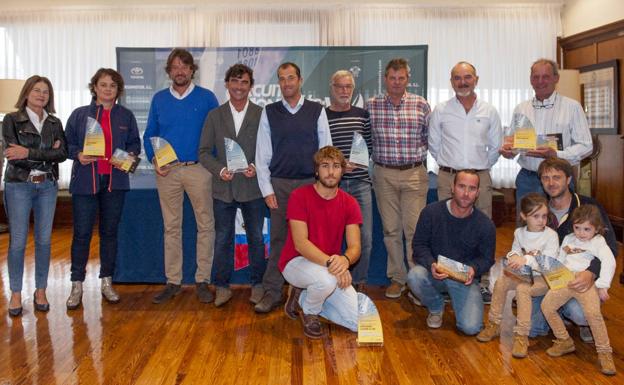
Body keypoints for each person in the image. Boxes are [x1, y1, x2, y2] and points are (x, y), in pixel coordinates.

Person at [254, 62, 331, 313]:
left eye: (291, 78)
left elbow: (325, 152)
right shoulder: (270, 112)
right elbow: (262, 155)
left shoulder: (316, 110)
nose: (286, 83)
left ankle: (305, 294)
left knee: (312, 242)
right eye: (282, 79)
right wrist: (267, 190)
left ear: (300, 80)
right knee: (278, 240)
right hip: (281, 186)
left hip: (311, 186)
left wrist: (323, 185)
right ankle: (273, 292)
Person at [143, 48, 219, 304]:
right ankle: (173, 281)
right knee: (171, 227)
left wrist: (217, 166)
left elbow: (216, 135)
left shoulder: (207, 98)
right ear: (169, 71)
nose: (179, 71)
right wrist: (154, 160)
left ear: (191, 70)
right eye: (175, 66)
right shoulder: (159, 99)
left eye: (184, 66)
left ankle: (203, 280)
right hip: (168, 171)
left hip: (200, 169)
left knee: (205, 225)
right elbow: (149, 134)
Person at [64, 68, 141, 309]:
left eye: (113, 85)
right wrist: (78, 154)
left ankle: (106, 282)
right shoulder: (79, 115)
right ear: (94, 87)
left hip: (115, 185)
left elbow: (135, 145)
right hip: (86, 183)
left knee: (109, 234)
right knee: (82, 235)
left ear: (118, 90)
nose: (108, 89)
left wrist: (130, 155)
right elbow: (67, 145)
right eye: (103, 84)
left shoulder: (126, 116)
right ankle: (77, 285)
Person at [199, 64, 266, 307]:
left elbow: (268, 150)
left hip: (252, 187)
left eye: (244, 82)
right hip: (224, 188)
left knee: (257, 238)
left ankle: (258, 285)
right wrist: (220, 170)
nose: (239, 87)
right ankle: (222, 286)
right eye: (235, 81)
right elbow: (204, 152)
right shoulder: (215, 116)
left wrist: (256, 167)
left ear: (250, 86)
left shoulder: (261, 114)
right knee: (223, 238)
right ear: (227, 84)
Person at [529, 157, 618, 339]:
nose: (551, 183)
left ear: (568, 179)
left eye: (557, 177)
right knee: (532, 330)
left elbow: (610, 248)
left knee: (581, 314)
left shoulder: (590, 207)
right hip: (549, 278)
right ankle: (560, 311)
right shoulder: (537, 210)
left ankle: (579, 317)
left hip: (580, 278)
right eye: (546, 178)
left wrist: (591, 272)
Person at [2, 75, 67, 316]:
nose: (41, 95)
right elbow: (12, 154)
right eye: (36, 90)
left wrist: (28, 151)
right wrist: (47, 152)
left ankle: (41, 290)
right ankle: (16, 293)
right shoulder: (11, 120)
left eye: (46, 92)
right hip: (19, 185)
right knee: (18, 242)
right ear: (27, 93)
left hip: (47, 187)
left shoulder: (54, 122)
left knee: (44, 241)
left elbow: (63, 155)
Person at [280, 146, 362, 338]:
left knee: (355, 321)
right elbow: (300, 243)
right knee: (325, 280)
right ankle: (310, 312)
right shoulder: (299, 196)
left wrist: (345, 261)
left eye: (336, 166)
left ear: (342, 170)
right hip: (296, 261)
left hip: (328, 266)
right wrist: (334, 264)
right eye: (325, 166)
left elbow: (355, 247)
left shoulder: (350, 202)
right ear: (316, 170)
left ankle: (301, 298)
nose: (331, 172)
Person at [367, 58, 430, 299]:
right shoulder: (371, 106)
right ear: (385, 79)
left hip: (414, 172)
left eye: (401, 78)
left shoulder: (421, 104)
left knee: (414, 230)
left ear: (408, 79)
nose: (396, 82)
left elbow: (429, 138)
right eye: (392, 78)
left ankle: (416, 279)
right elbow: (365, 140)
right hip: (383, 173)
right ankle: (397, 278)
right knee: (391, 230)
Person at [407, 170, 495, 335]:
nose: (466, 193)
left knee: (471, 328)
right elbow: (418, 246)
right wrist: (431, 264)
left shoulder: (485, 224)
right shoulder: (431, 213)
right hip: (435, 273)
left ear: (478, 193)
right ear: (452, 187)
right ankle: (436, 306)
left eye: (472, 188)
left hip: (464, 280)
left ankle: (458, 300)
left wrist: (474, 269)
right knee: (414, 276)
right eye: (461, 186)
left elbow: (487, 259)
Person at [499, 58, 592, 209]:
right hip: (527, 179)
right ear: (530, 80)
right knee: (527, 227)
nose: (540, 81)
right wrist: (508, 151)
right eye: (536, 77)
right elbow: (513, 144)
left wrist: (557, 154)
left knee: (561, 226)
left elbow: (586, 146)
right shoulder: (521, 109)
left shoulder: (572, 107)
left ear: (556, 78)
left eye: (546, 76)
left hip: (559, 179)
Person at [476, 193, 559, 358]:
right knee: (501, 282)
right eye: (536, 216)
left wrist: (525, 259)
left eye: (544, 216)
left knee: (522, 289)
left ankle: (522, 336)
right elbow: (515, 250)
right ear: (523, 216)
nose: (541, 220)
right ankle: (494, 323)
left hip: (543, 277)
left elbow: (548, 262)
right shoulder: (519, 233)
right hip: (523, 273)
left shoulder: (551, 235)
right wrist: (512, 256)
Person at [541, 204, 616, 376]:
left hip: (585, 284)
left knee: (593, 315)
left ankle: (605, 353)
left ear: (596, 228)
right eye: (577, 227)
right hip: (565, 279)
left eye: (587, 229)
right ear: (572, 225)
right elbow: (560, 258)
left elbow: (609, 261)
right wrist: (554, 277)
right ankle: (564, 340)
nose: (581, 233)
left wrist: (603, 285)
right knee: (547, 306)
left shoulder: (598, 241)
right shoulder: (568, 238)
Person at [428, 61, 502, 219]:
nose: (463, 82)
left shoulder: (489, 111)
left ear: (476, 79)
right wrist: (449, 162)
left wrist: (481, 166)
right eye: (457, 78)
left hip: (480, 177)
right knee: (447, 224)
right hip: (448, 177)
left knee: (482, 223)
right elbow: (433, 144)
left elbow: (496, 146)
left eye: (467, 77)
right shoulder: (441, 110)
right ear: (451, 82)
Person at [326, 69, 372, 292]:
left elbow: (369, 147)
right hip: (331, 187)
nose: (344, 91)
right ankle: (330, 283)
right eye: (340, 86)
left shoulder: (363, 115)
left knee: (365, 238)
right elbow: (320, 152)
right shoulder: (322, 116)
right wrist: (339, 164)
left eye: (348, 87)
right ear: (331, 88)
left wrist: (360, 160)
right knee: (328, 239)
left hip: (360, 183)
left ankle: (358, 284)